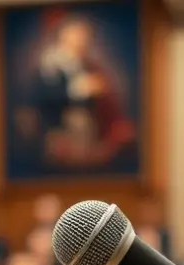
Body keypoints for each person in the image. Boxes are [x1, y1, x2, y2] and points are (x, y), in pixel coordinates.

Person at [31, 19, 133, 164]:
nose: (82, 42)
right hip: (59, 127)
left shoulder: (88, 64)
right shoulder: (50, 64)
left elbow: (105, 95)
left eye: (84, 39)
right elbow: (45, 96)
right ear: (64, 38)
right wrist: (80, 88)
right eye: (77, 37)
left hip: (88, 126)